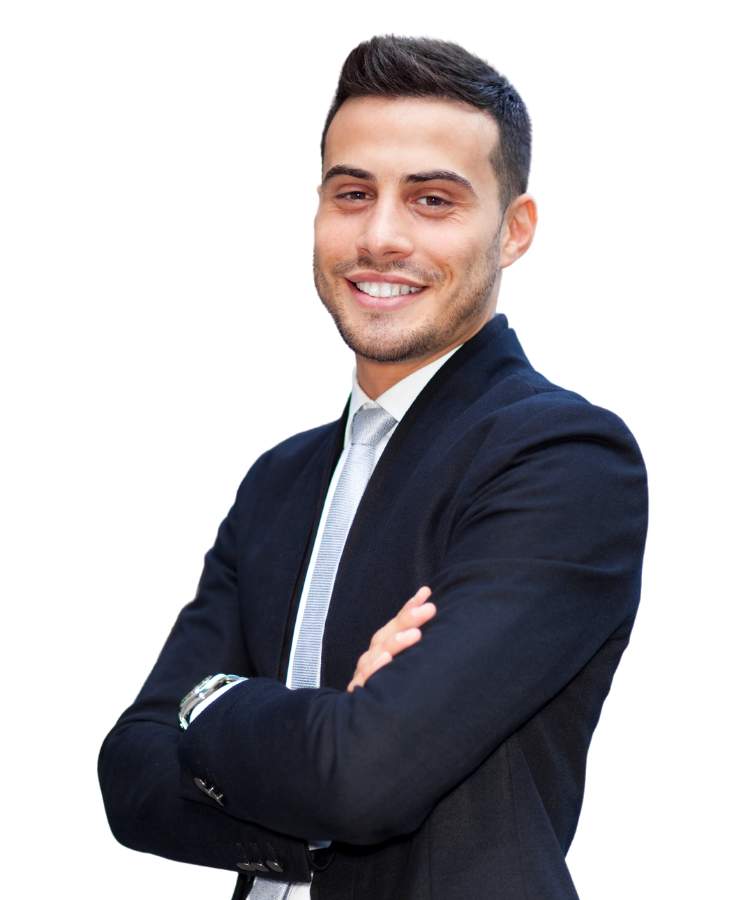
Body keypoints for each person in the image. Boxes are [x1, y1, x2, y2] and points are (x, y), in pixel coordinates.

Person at [97, 33, 649, 900]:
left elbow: (365, 778)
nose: (381, 236)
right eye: (352, 194)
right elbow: (130, 778)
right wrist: (327, 735)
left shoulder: (564, 458)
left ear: (515, 231)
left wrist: (208, 705)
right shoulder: (277, 478)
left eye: (432, 200)